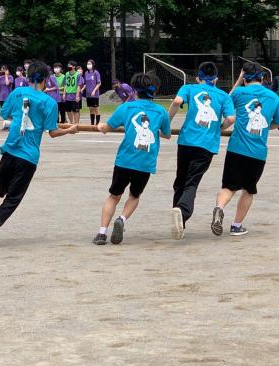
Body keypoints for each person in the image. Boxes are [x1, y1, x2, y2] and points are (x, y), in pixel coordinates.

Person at [0, 61, 78, 249]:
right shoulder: (49, 102)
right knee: (14, 198)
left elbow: (5, 114)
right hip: (28, 156)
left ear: (28, 77)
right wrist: (70, 130)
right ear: (46, 79)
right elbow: (52, 131)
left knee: (2, 185)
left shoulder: (16, 93)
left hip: (10, 149)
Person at [94, 73, 172, 245]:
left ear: (135, 90)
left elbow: (107, 127)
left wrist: (100, 126)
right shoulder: (160, 111)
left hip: (124, 160)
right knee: (134, 195)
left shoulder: (126, 108)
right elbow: (167, 134)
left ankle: (101, 233)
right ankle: (122, 219)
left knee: (114, 195)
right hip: (145, 162)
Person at [211, 63, 279, 237]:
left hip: (236, 148)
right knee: (249, 190)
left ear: (245, 78)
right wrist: (267, 128)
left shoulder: (239, 93)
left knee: (228, 187)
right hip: (257, 152)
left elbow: (225, 101)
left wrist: (238, 82)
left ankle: (219, 208)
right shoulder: (273, 97)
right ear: (262, 78)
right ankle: (236, 226)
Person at [166, 62, 235, 240]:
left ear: (198, 77)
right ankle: (182, 212)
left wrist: (166, 123)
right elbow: (230, 118)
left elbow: (177, 101)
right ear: (216, 79)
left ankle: (179, 217)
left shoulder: (189, 88)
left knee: (180, 180)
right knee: (192, 182)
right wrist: (220, 128)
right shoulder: (223, 96)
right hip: (206, 144)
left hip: (187, 141)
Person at [84, 60, 103, 126]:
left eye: (90, 63)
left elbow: (99, 83)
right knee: (91, 109)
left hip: (94, 95)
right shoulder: (86, 73)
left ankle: (97, 124)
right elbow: (85, 83)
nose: (88, 65)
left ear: (93, 64)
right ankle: (92, 124)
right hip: (88, 94)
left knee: (96, 109)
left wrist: (94, 90)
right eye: (87, 63)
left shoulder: (96, 73)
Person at [0, 65, 14, 130]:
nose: (3, 71)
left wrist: (6, 76)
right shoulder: (1, 77)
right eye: (2, 70)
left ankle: (10, 125)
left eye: (4, 70)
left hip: (8, 97)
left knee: (9, 112)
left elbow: (7, 83)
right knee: (4, 111)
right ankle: (6, 125)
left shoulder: (10, 77)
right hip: (2, 97)